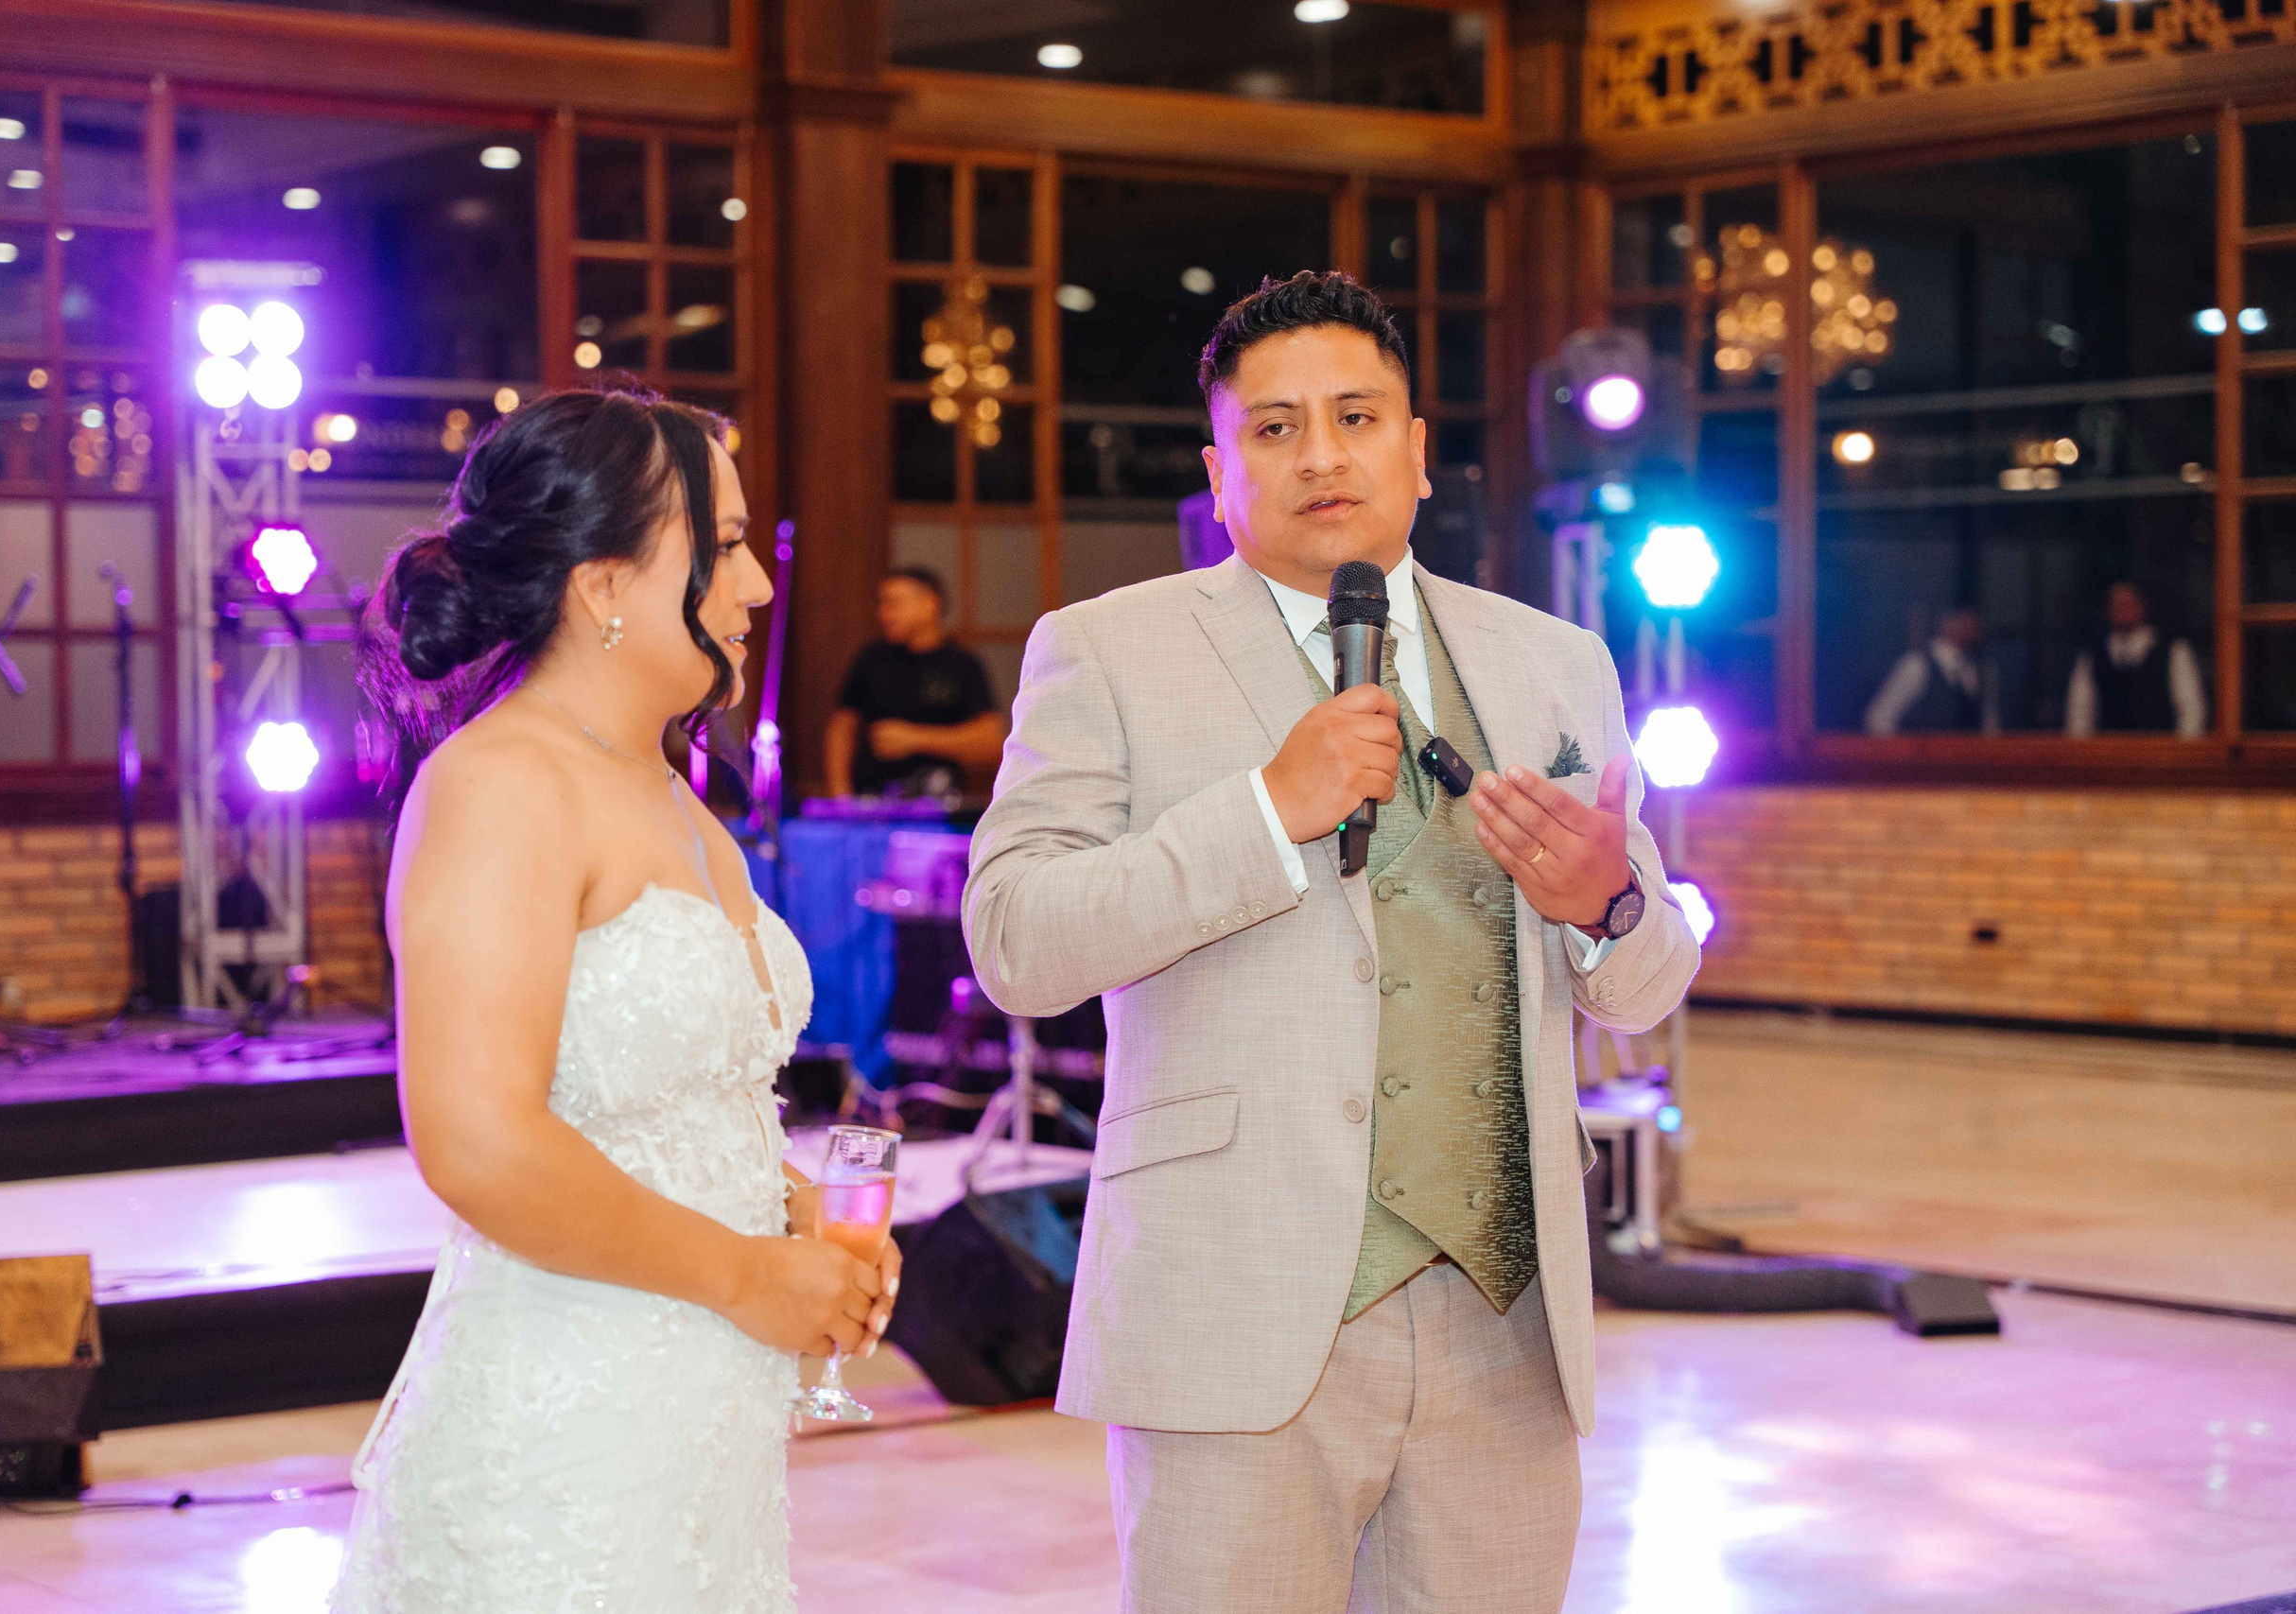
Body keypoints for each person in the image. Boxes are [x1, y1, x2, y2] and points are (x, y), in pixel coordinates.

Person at [962, 271, 1700, 1612]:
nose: (1320, 455)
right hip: (1236, 1305)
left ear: (1419, 449)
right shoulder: (1107, 651)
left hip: (1505, 1322)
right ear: (1220, 467)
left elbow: (1644, 984)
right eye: (1275, 427)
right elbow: (1016, 938)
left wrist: (1611, 900)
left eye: (1356, 416)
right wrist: (1264, 810)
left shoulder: (1554, 662)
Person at [332, 390, 898, 1612]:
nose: (756, 585)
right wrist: (746, 1273)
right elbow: (478, 1137)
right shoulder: (502, 782)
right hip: (562, 1437)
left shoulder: (674, 793)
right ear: (604, 584)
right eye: (727, 543)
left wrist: (797, 1216)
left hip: (697, 1434)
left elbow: (679, 1102)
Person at [823, 565, 1006, 796]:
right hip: (871, 802)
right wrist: (841, 797)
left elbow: (990, 742)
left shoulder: (962, 664)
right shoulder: (871, 659)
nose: (883, 614)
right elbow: (841, 729)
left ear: (930, 604)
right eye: (882, 604)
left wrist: (915, 738)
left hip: (938, 804)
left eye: (894, 604)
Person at [2066, 580, 2205, 738]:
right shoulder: (2093, 655)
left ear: (2142, 605)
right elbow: (2080, 710)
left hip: (2160, 753)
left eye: (2127, 603)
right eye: (2116, 605)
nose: (2122, 610)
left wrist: (2181, 754)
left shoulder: (2174, 650)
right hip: (2108, 753)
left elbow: (2190, 708)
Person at [1864, 605, 1999, 735]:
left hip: (1969, 756)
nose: (1972, 626)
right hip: (1922, 755)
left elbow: (1989, 725)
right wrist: (1906, 753)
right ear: (1946, 621)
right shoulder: (1917, 664)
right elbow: (1879, 719)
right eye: (1966, 619)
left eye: (1975, 621)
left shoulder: (1982, 669)